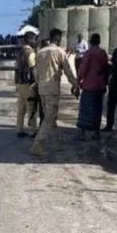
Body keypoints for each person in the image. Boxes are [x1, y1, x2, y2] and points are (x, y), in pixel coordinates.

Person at [30, 29, 79, 157]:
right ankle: (37, 144)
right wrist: (75, 84)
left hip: (42, 89)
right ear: (58, 38)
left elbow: (36, 72)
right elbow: (68, 71)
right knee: (49, 118)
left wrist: (38, 84)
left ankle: (57, 143)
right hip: (52, 89)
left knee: (50, 116)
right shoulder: (59, 52)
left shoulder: (40, 52)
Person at [75, 33, 108, 141]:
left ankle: (83, 133)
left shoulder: (88, 53)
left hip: (89, 84)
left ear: (90, 41)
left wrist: (78, 81)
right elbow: (105, 67)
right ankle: (96, 132)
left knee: (85, 108)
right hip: (100, 84)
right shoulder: (102, 53)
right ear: (99, 41)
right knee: (97, 109)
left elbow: (83, 68)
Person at [15, 32, 37, 138]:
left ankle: (19, 129)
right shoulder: (31, 52)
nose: (35, 41)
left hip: (19, 82)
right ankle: (33, 130)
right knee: (31, 107)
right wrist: (34, 82)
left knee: (21, 108)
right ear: (30, 40)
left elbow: (16, 67)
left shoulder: (19, 51)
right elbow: (32, 68)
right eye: (34, 39)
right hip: (28, 83)